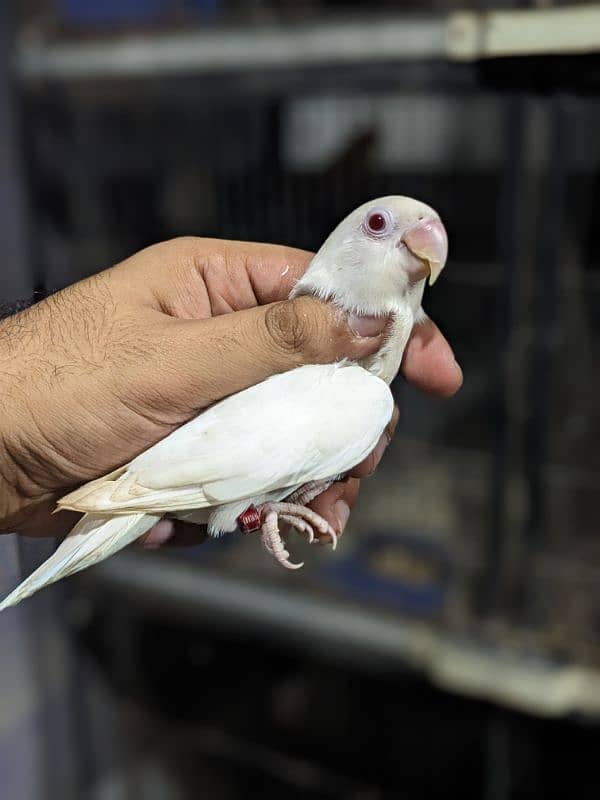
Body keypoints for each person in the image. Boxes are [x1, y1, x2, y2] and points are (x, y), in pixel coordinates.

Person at [0, 236, 462, 547]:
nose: (422, 235)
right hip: (168, 485)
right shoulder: (362, 395)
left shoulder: (352, 390)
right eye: (380, 226)